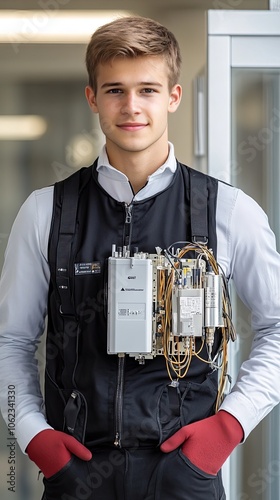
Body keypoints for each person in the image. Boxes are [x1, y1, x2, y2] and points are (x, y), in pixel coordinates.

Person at [0, 15, 280, 500]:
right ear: (92, 98)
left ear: (172, 96)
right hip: (75, 474)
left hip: (185, 474)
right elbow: (10, 341)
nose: (132, 107)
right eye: (115, 90)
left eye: (148, 89)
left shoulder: (229, 212)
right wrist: (34, 437)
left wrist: (227, 430)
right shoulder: (45, 212)